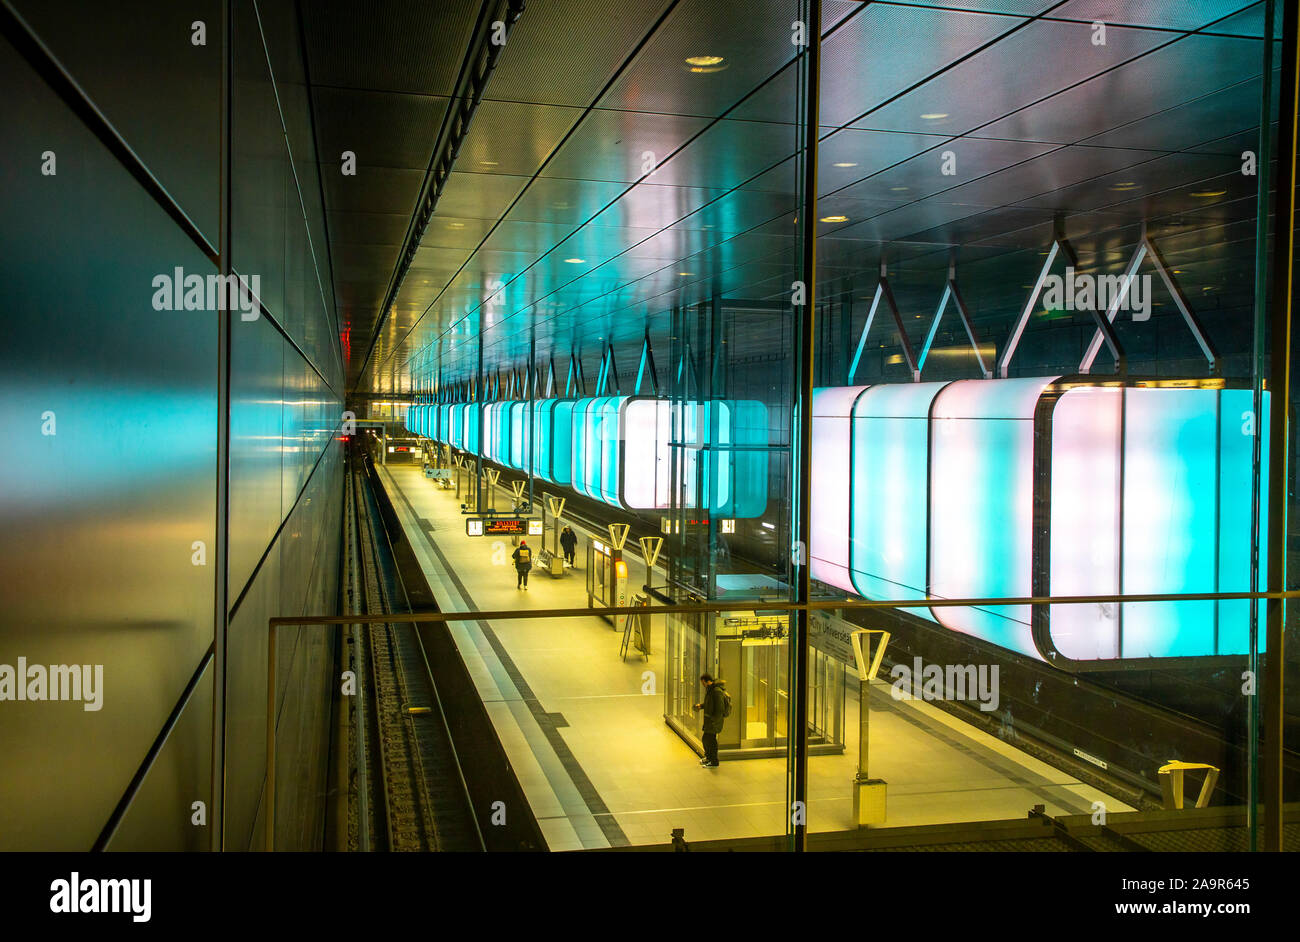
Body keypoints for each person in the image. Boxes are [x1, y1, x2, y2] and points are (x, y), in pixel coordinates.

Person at [692, 673, 728, 768]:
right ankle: (709, 758)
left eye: (703, 682)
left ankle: (714, 761)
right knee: (706, 739)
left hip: (714, 722)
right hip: (710, 720)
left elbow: (720, 708)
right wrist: (702, 706)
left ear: (707, 681)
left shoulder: (716, 691)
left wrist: (713, 720)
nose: (703, 685)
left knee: (710, 740)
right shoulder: (711, 690)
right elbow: (710, 703)